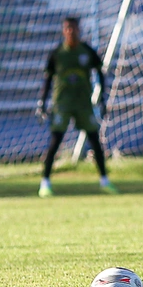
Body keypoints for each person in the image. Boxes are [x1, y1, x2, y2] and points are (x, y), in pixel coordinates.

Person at [36, 16, 117, 197]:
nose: (70, 31)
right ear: (63, 31)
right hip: (62, 104)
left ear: (79, 30)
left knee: (95, 141)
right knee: (55, 142)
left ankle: (104, 181)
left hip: (83, 104)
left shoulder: (87, 51)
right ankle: (45, 183)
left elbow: (100, 72)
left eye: (73, 28)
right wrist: (42, 103)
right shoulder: (57, 53)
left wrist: (102, 98)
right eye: (67, 28)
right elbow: (48, 79)